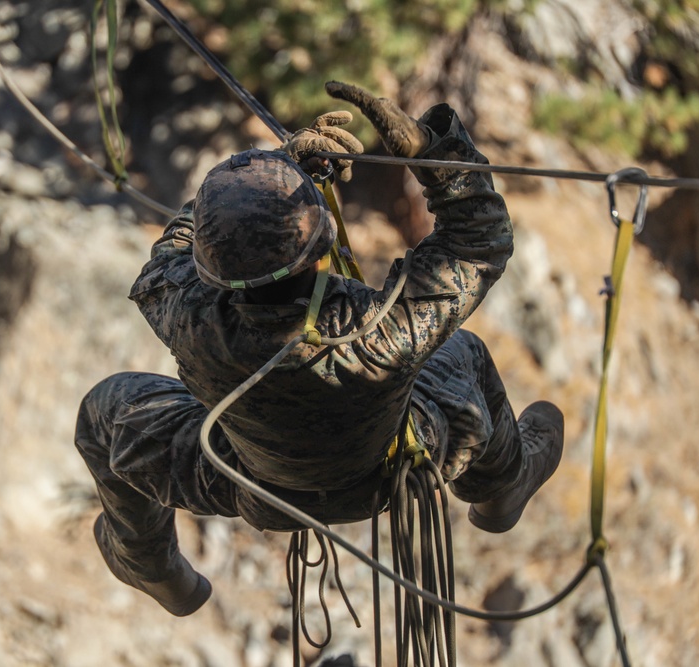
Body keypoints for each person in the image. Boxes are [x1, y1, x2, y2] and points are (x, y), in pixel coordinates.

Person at [74, 81, 564, 617]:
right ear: (322, 241)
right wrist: (433, 154)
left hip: (250, 484)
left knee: (105, 411)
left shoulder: (190, 319)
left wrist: (275, 168)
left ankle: (149, 563)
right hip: (394, 470)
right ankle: (500, 484)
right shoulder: (377, 333)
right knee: (463, 353)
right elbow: (479, 243)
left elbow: (168, 257)